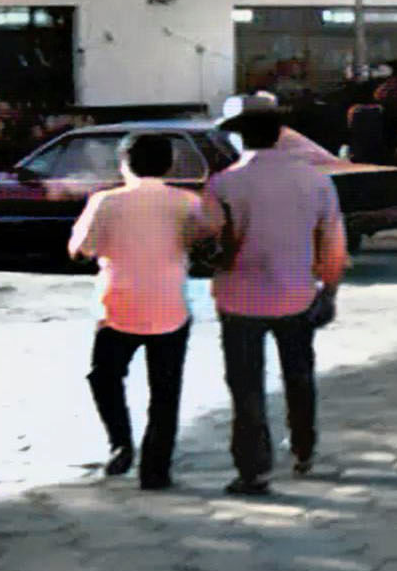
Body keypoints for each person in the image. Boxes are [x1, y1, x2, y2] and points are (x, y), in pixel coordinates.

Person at [203, 94, 350, 496]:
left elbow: (211, 243)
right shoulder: (316, 180)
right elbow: (333, 244)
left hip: (239, 300)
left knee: (246, 384)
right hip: (297, 296)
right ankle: (303, 448)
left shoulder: (225, 183)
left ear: (237, 138)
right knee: (299, 376)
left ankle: (253, 470)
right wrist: (330, 292)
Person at [67, 133, 204, 490]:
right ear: (170, 165)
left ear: (124, 163)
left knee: (104, 377)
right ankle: (156, 470)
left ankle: (121, 444)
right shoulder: (187, 202)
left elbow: (81, 248)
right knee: (165, 389)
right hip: (169, 305)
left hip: (118, 306)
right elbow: (200, 239)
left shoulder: (105, 201)